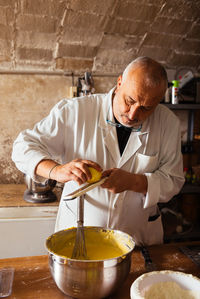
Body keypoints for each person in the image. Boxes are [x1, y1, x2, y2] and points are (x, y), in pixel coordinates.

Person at [12, 57, 185, 246]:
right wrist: (57, 171)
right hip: (79, 237)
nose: (133, 114)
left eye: (146, 108)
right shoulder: (75, 111)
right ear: (119, 83)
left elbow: (174, 180)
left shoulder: (168, 124)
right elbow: (23, 146)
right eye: (130, 100)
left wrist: (135, 182)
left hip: (138, 238)